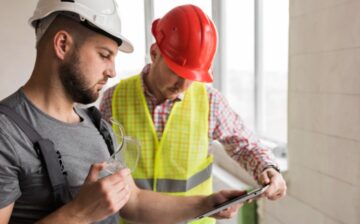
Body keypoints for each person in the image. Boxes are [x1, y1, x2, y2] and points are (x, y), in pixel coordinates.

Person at [0, 1, 245, 223]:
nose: (112, 71)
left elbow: (134, 203)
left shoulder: (97, 126)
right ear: (62, 44)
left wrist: (207, 203)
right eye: (104, 55)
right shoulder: (7, 132)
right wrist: (79, 212)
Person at [100, 4, 287, 223]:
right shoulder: (113, 99)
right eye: (175, 71)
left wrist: (268, 168)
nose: (183, 84)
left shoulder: (210, 102)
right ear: (154, 53)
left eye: (192, 76)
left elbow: (245, 144)